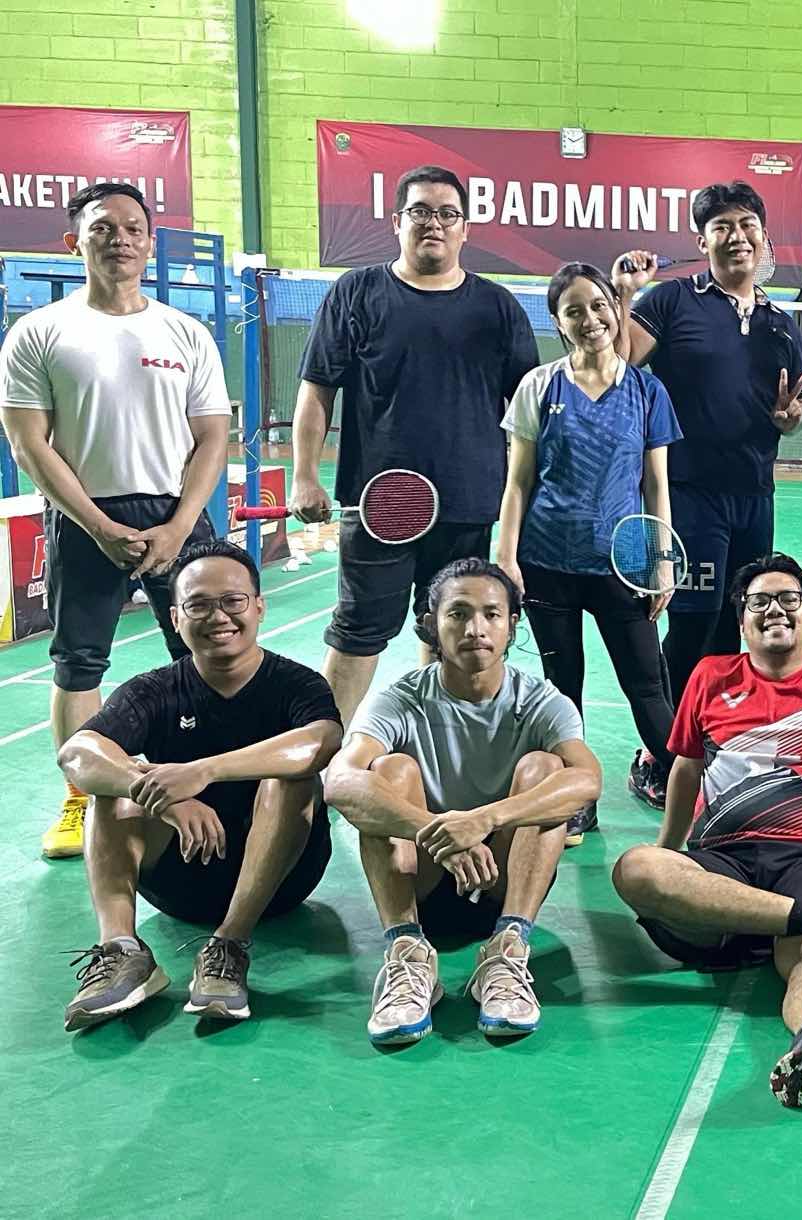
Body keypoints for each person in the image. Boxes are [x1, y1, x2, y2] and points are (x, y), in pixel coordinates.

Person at [611, 554, 802, 1108]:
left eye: (790, 599)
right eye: (759, 602)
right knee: (637, 868)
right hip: (723, 862)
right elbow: (686, 769)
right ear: (742, 622)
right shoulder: (710, 676)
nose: (775, 609)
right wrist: (669, 853)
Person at [0, 182, 228, 860]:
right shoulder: (39, 333)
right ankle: (81, 798)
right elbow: (29, 444)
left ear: (150, 243)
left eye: (134, 228)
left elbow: (212, 437)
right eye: (103, 228)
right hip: (85, 519)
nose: (120, 239)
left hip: (176, 516)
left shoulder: (185, 332)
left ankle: (213, 777)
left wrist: (180, 526)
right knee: (78, 664)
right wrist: (98, 525)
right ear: (76, 241)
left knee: (206, 654)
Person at [291, 165, 539, 731]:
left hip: (468, 507)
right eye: (421, 211)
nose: (434, 223)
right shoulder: (356, 293)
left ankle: (439, 748)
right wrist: (304, 475)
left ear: (465, 229)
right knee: (357, 634)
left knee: (450, 636)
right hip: (378, 508)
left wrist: (518, 514)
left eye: (448, 214)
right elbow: (317, 390)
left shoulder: (498, 308)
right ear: (397, 221)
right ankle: (316, 762)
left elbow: (526, 415)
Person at [57, 541, 342, 1029]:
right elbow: (76, 753)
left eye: (233, 601)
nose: (218, 617)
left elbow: (320, 743)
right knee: (114, 792)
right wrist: (160, 797)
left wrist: (204, 771)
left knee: (290, 780)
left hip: (281, 883)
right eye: (199, 605)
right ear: (175, 617)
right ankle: (121, 950)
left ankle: (229, 945)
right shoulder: (154, 690)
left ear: (259, 607)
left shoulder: (297, 684)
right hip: (178, 882)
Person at [324, 559, 602, 1045]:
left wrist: (484, 820)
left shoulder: (539, 700)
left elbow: (588, 780)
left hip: (504, 881)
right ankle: (407, 954)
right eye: (458, 614)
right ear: (431, 623)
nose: (476, 629)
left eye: (491, 614)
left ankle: (508, 950)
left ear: (512, 624)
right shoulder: (401, 698)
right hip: (421, 882)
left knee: (546, 769)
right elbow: (340, 781)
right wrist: (438, 832)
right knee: (389, 772)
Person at [611, 182, 802, 721]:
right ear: (703, 242)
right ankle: (663, 743)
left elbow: (796, 407)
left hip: (755, 495)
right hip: (690, 492)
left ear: (764, 238)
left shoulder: (780, 324)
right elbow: (619, 364)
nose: (737, 236)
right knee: (692, 621)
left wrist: (791, 421)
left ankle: (713, 729)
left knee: (736, 619)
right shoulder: (673, 301)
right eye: (722, 227)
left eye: (747, 225)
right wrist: (625, 294)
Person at [497, 262, 682, 842]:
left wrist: (661, 561)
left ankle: (693, 795)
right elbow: (518, 483)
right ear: (558, 322)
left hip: (620, 565)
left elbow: (656, 485)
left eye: (598, 305)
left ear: (614, 309)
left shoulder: (647, 390)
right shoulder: (539, 386)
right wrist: (507, 556)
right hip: (547, 560)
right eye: (573, 310)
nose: (590, 319)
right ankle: (576, 801)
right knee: (563, 687)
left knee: (647, 688)